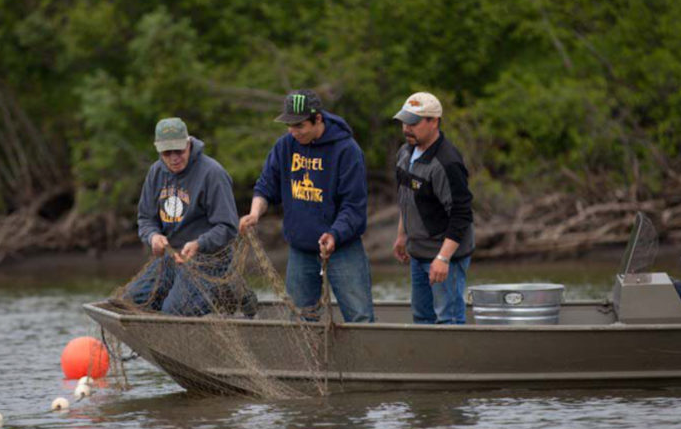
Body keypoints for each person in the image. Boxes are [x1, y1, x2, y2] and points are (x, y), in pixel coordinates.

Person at [239, 90, 374, 323]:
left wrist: (334, 234)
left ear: (318, 119)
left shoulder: (347, 150)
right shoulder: (285, 146)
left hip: (342, 248)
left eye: (299, 125)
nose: (293, 131)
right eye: (289, 125)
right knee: (300, 319)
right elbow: (265, 186)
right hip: (301, 250)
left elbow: (353, 206)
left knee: (359, 316)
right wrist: (254, 213)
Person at [123, 117, 242, 316]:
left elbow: (228, 227)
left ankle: (223, 289)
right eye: (166, 153)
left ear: (189, 144)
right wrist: (153, 236)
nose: (173, 158)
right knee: (131, 301)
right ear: (158, 149)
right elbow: (145, 219)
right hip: (171, 257)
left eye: (178, 151)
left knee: (174, 312)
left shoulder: (212, 173)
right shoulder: (155, 172)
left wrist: (199, 244)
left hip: (209, 259)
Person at [391, 92, 474, 324]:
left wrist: (443, 259)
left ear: (434, 121)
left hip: (445, 254)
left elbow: (462, 214)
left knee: (448, 319)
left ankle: (455, 361)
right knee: (422, 317)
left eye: (414, 123)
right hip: (418, 252)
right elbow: (406, 198)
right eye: (404, 122)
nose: (407, 128)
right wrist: (401, 235)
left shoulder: (447, 162)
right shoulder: (404, 153)